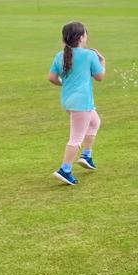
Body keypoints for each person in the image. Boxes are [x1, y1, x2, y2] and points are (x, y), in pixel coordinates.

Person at [48, 21, 105, 185]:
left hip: (68, 100)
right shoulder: (89, 55)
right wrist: (103, 62)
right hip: (82, 103)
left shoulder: (60, 56)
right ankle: (65, 170)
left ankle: (86, 155)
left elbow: (52, 78)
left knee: (95, 122)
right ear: (81, 37)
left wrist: (65, 84)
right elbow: (100, 77)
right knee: (76, 138)